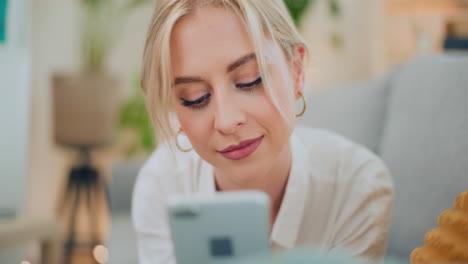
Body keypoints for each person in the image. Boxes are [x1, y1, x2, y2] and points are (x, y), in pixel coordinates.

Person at [132, 0, 394, 263]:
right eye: (195, 98)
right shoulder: (162, 185)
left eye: (250, 80)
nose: (226, 121)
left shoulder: (357, 188)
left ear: (297, 70)